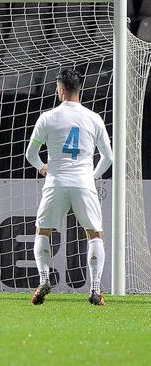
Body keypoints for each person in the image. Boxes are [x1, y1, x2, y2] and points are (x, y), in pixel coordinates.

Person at [26, 69, 112, 306]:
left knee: (43, 232)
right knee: (94, 234)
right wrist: (91, 176)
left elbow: (30, 153)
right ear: (78, 89)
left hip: (56, 182)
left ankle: (44, 279)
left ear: (61, 89)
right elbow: (108, 157)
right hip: (84, 184)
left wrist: (43, 167)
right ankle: (94, 289)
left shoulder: (48, 117)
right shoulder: (94, 118)